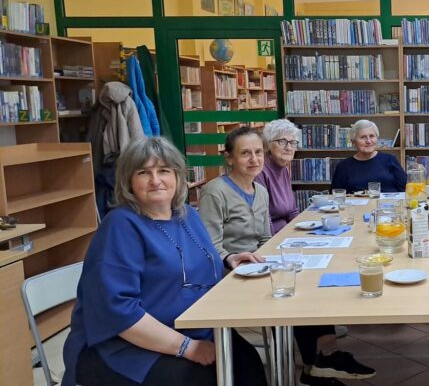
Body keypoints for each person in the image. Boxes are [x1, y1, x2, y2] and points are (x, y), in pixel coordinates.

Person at [62, 137, 267, 386]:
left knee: (248, 364)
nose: (156, 180)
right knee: (202, 378)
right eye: (144, 172)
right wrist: (187, 347)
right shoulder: (120, 225)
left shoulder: (187, 214)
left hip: (192, 328)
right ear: (128, 180)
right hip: (124, 347)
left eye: (164, 171)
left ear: (178, 177)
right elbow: (118, 312)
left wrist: (227, 259)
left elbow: (192, 265)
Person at [198, 127, 375, 386]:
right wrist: (231, 258)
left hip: (259, 265)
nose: (254, 159)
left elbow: (263, 238)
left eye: (258, 152)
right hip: (231, 273)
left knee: (309, 280)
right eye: (245, 153)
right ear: (229, 158)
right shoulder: (216, 191)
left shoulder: (259, 191)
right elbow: (209, 246)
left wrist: (283, 255)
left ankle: (323, 358)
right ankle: (317, 363)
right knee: (295, 295)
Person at [331, 119, 406, 193]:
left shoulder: (390, 159)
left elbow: (405, 188)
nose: (369, 141)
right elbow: (336, 195)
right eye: (363, 137)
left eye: (372, 136)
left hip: (390, 204)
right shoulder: (343, 166)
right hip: (358, 205)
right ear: (353, 142)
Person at [255, 119, 302, 234]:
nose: (289, 148)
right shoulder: (260, 171)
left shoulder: (284, 168)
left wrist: (305, 230)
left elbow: (292, 211)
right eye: (282, 142)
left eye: (293, 142)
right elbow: (264, 220)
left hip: (287, 232)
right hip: (273, 237)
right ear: (268, 145)